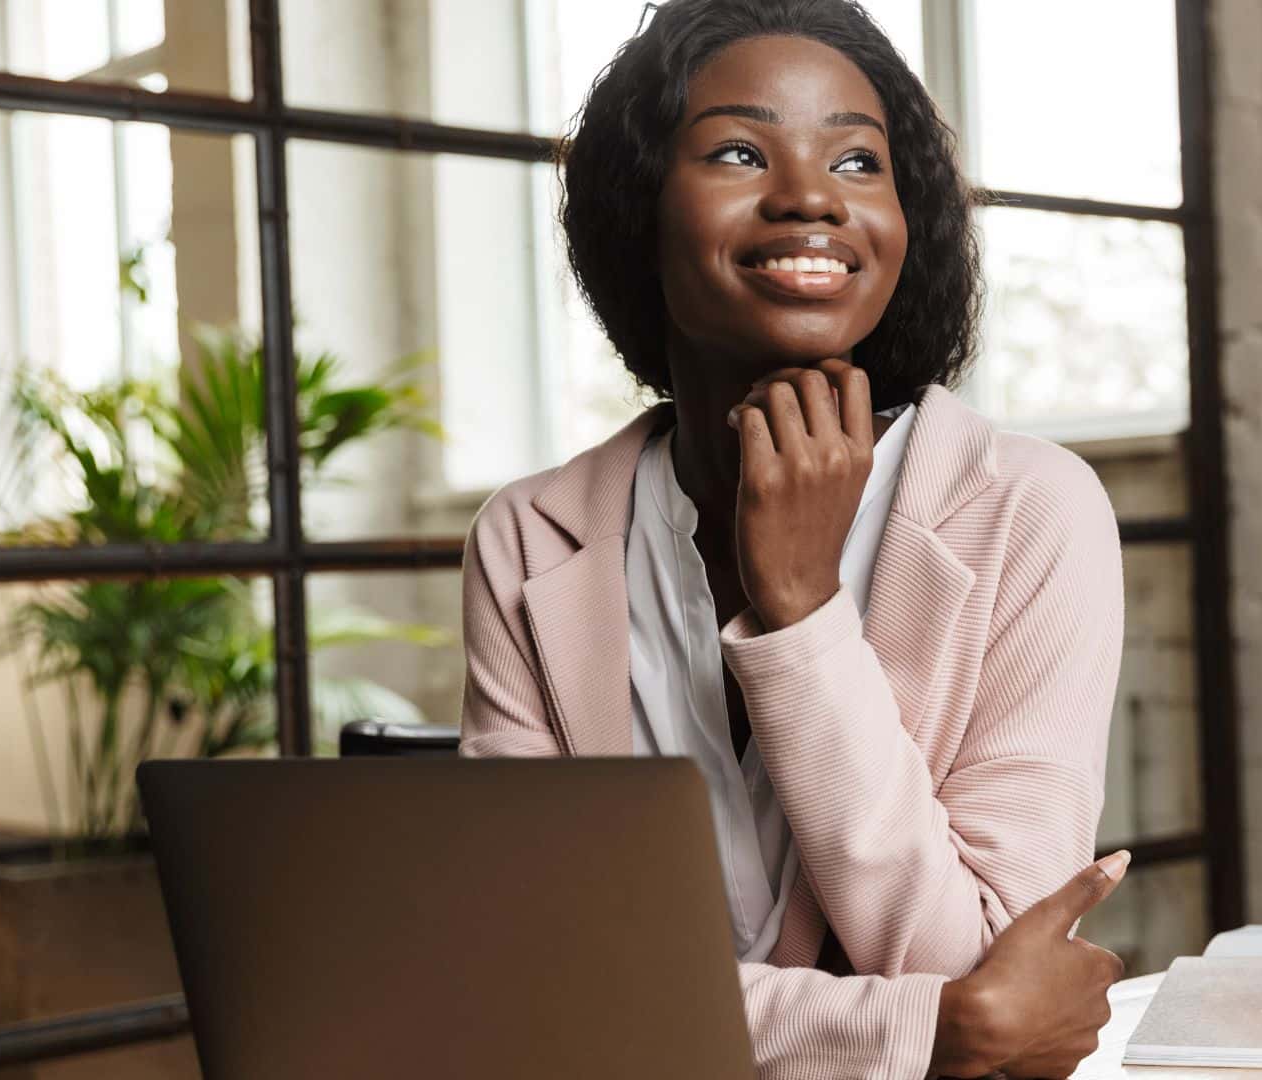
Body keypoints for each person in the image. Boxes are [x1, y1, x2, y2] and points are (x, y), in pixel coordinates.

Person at [458, 0, 1129, 1075]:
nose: (811, 195)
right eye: (737, 149)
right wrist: (921, 1029)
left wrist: (803, 613)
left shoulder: (1030, 510)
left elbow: (989, 962)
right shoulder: (532, 540)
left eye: (860, 162)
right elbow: (531, 969)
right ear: (639, 207)